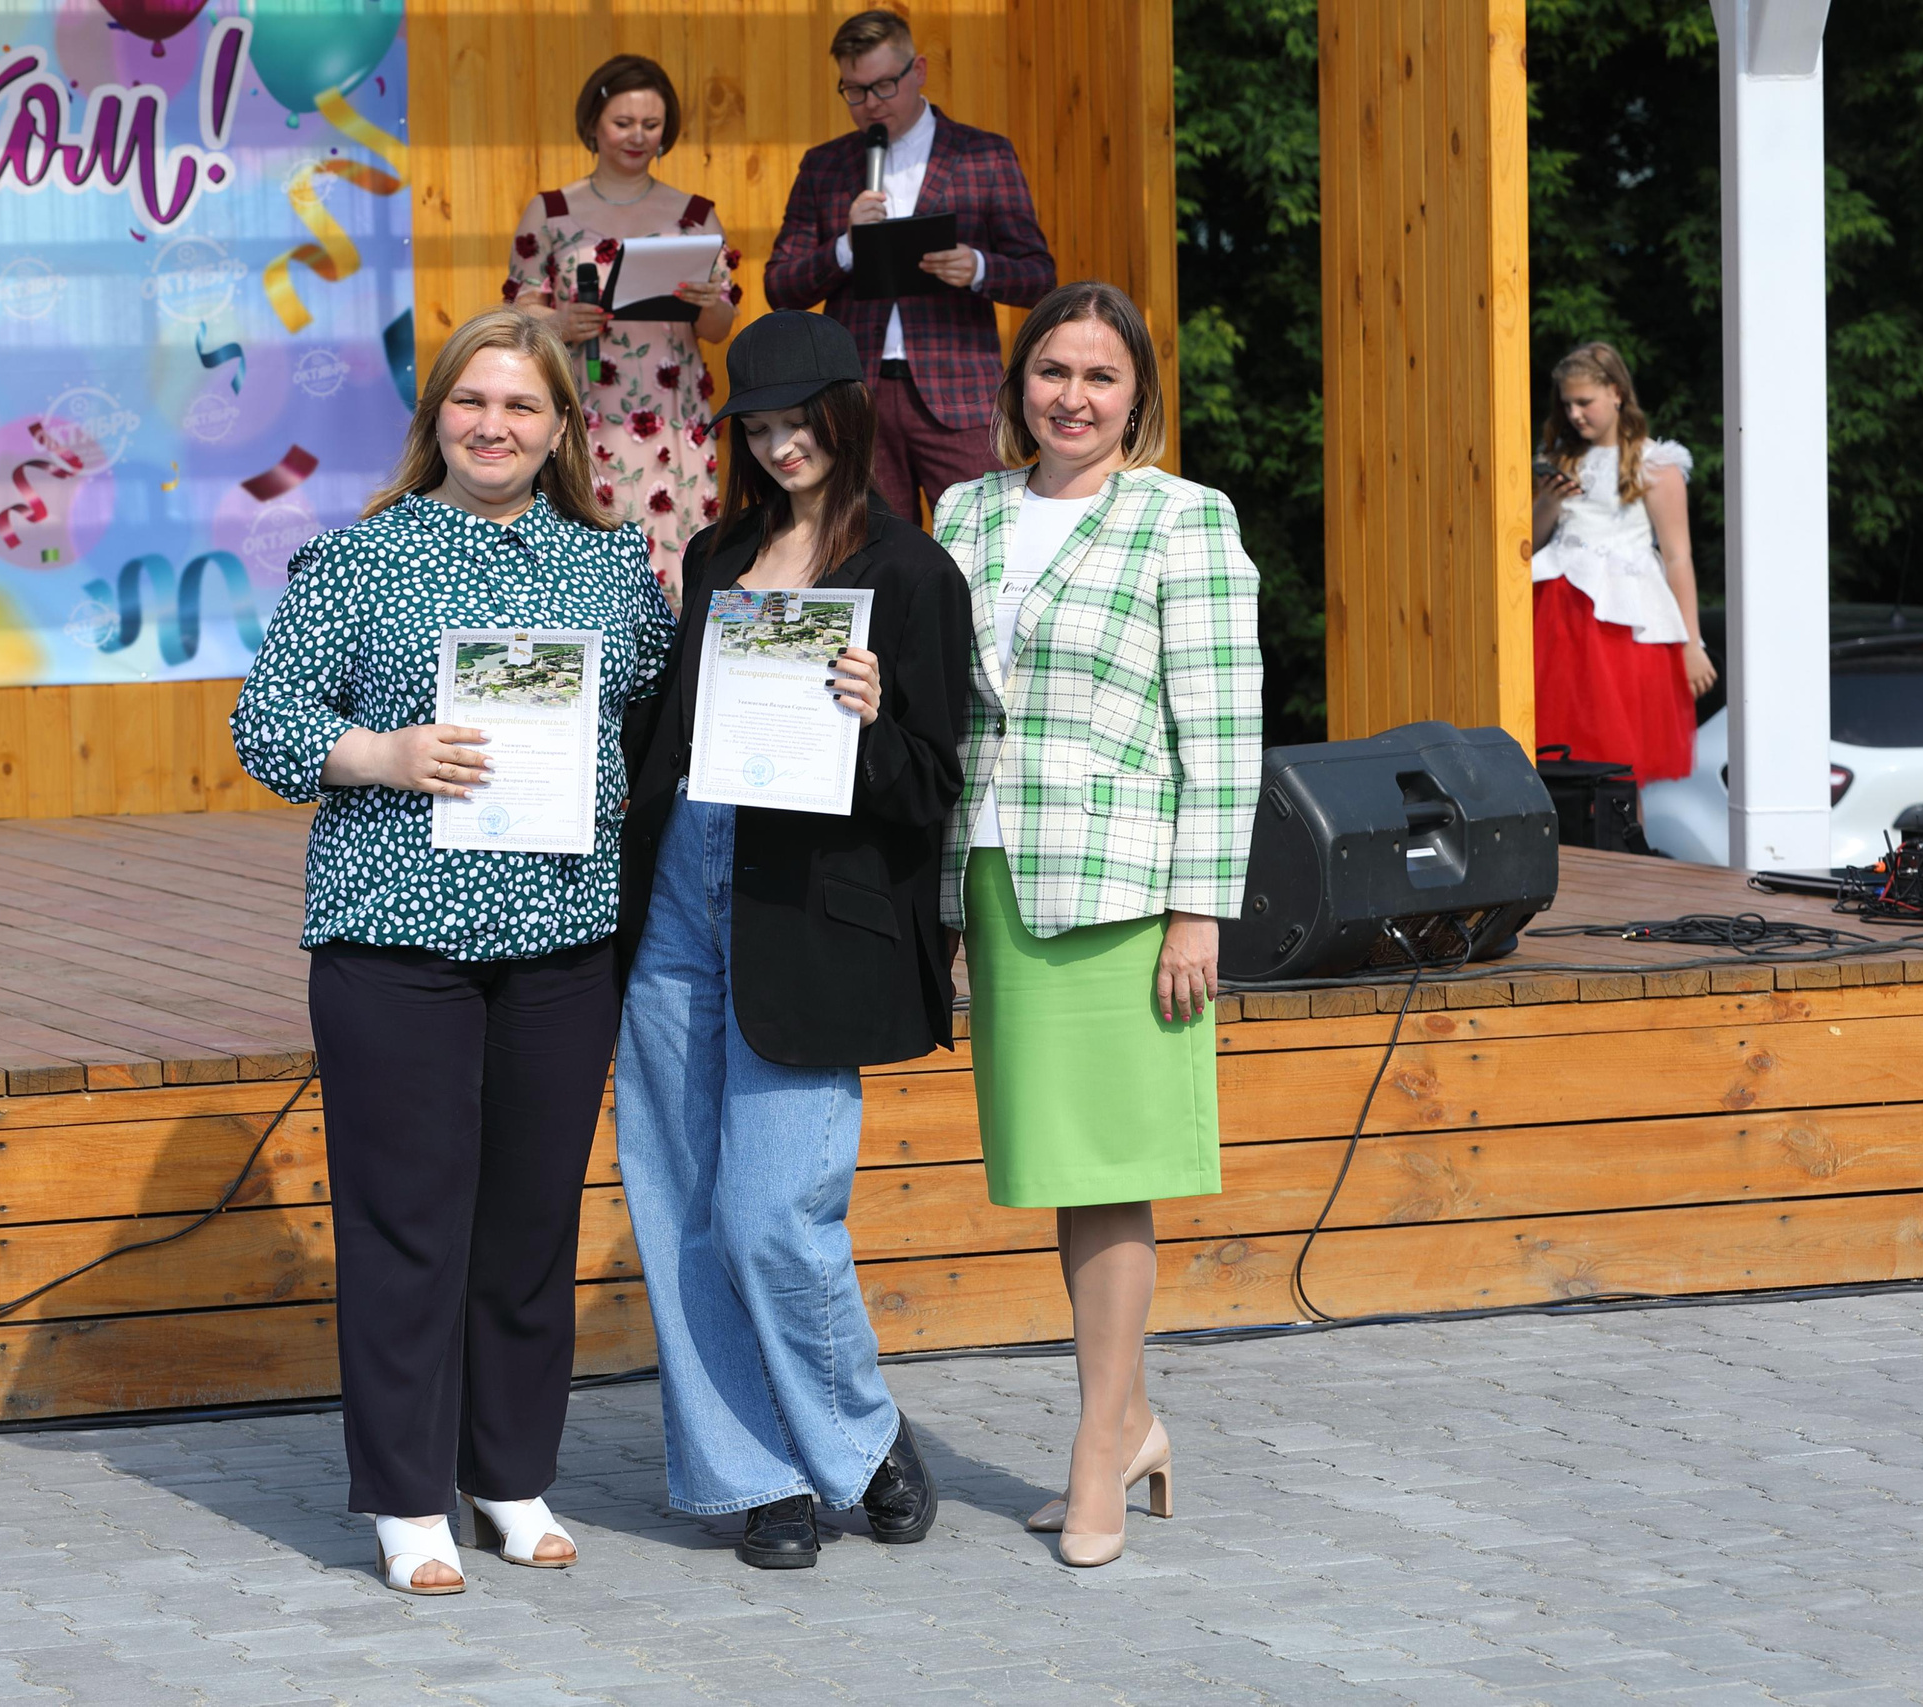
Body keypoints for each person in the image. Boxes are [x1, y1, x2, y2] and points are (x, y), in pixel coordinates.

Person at [230, 309, 676, 1596]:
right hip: (394, 938)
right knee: (408, 1224)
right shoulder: (361, 556)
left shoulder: (606, 566)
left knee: (530, 1224)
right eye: (474, 403)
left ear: (560, 431)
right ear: (437, 417)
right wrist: (384, 754)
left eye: (523, 408)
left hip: (557, 939)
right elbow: (268, 726)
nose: (496, 426)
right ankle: (408, 1500)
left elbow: (656, 715)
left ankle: (508, 1475)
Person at [614, 311, 971, 1570]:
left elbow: (931, 783)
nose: (778, 446)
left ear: (848, 416)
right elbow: (668, 735)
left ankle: (863, 1440)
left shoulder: (913, 574)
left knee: (773, 1212)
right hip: (677, 902)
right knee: (679, 1208)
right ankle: (751, 1476)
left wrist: (871, 723)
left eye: (796, 422)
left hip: (807, 923)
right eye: (755, 428)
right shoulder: (716, 554)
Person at [933, 281, 1261, 1569]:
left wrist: (1199, 912)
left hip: (1125, 891)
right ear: (1018, 383)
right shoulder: (964, 510)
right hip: (999, 876)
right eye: (1051, 371)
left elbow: (1222, 732)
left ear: (1138, 397)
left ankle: (1099, 1444)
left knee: (1109, 1166)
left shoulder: (1184, 519)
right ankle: (1127, 1423)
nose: (1072, 397)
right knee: (1052, 1168)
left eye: (1100, 378)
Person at [764, 8, 1056, 523]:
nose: (870, 104)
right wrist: (845, 246)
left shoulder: (983, 155)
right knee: (872, 554)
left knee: (985, 541)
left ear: (918, 70)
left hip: (959, 394)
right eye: (853, 91)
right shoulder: (825, 165)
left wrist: (979, 267)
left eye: (882, 86)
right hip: (857, 395)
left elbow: (1039, 276)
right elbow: (780, 286)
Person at [506, 54, 740, 597]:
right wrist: (560, 321)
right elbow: (519, 311)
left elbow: (718, 327)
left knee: (679, 558)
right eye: (623, 123)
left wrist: (709, 299)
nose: (638, 137)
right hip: (579, 410)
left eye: (651, 125)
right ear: (593, 123)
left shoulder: (694, 214)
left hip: (672, 417)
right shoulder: (552, 210)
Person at [1530, 341, 1716, 785]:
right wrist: (1549, 504)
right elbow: (1530, 546)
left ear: (1616, 393)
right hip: (1558, 616)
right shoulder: (1556, 458)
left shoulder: (1654, 464)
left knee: (1619, 763)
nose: (1575, 414)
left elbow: (1678, 557)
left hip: (1622, 624)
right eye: (1567, 403)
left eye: (1584, 402)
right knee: (1554, 755)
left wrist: (1693, 643)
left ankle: (1627, 851)